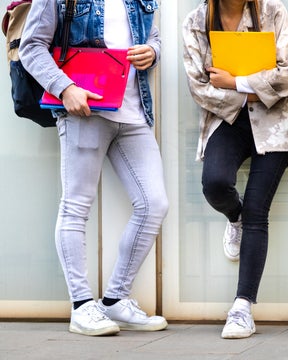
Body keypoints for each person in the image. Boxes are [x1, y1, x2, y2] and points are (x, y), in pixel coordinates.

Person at [19, 0, 168, 336]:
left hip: (133, 113)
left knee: (154, 204)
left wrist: (152, 52)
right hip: (83, 112)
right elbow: (31, 46)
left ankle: (115, 299)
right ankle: (81, 306)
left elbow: (153, 36)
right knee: (76, 206)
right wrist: (64, 87)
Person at [182, 0, 288, 339]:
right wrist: (249, 92)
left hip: (278, 123)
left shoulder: (273, 11)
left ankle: (242, 308)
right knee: (214, 183)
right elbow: (199, 86)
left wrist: (237, 82)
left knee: (258, 209)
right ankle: (234, 217)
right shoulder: (197, 21)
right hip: (226, 121)